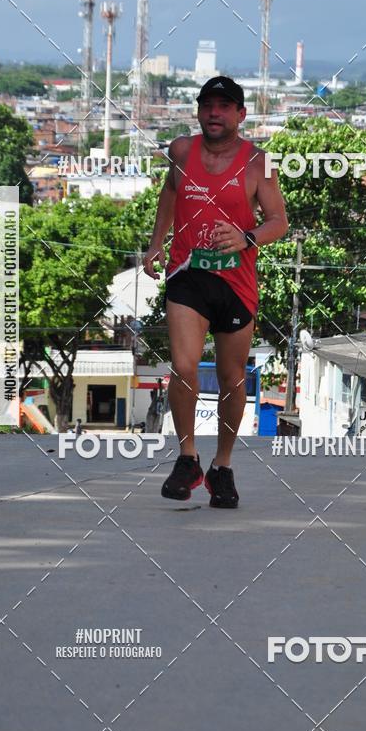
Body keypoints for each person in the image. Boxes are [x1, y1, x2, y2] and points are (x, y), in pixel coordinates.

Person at [143, 76, 288, 508]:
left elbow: (279, 221)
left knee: (231, 379)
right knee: (184, 366)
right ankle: (188, 457)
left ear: (240, 115)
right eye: (208, 105)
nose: (214, 113)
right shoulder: (182, 151)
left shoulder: (259, 162)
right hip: (187, 274)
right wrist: (156, 243)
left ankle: (222, 466)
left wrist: (247, 238)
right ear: (198, 111)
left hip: (236, 284)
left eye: (224, 107)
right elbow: (170, 192)